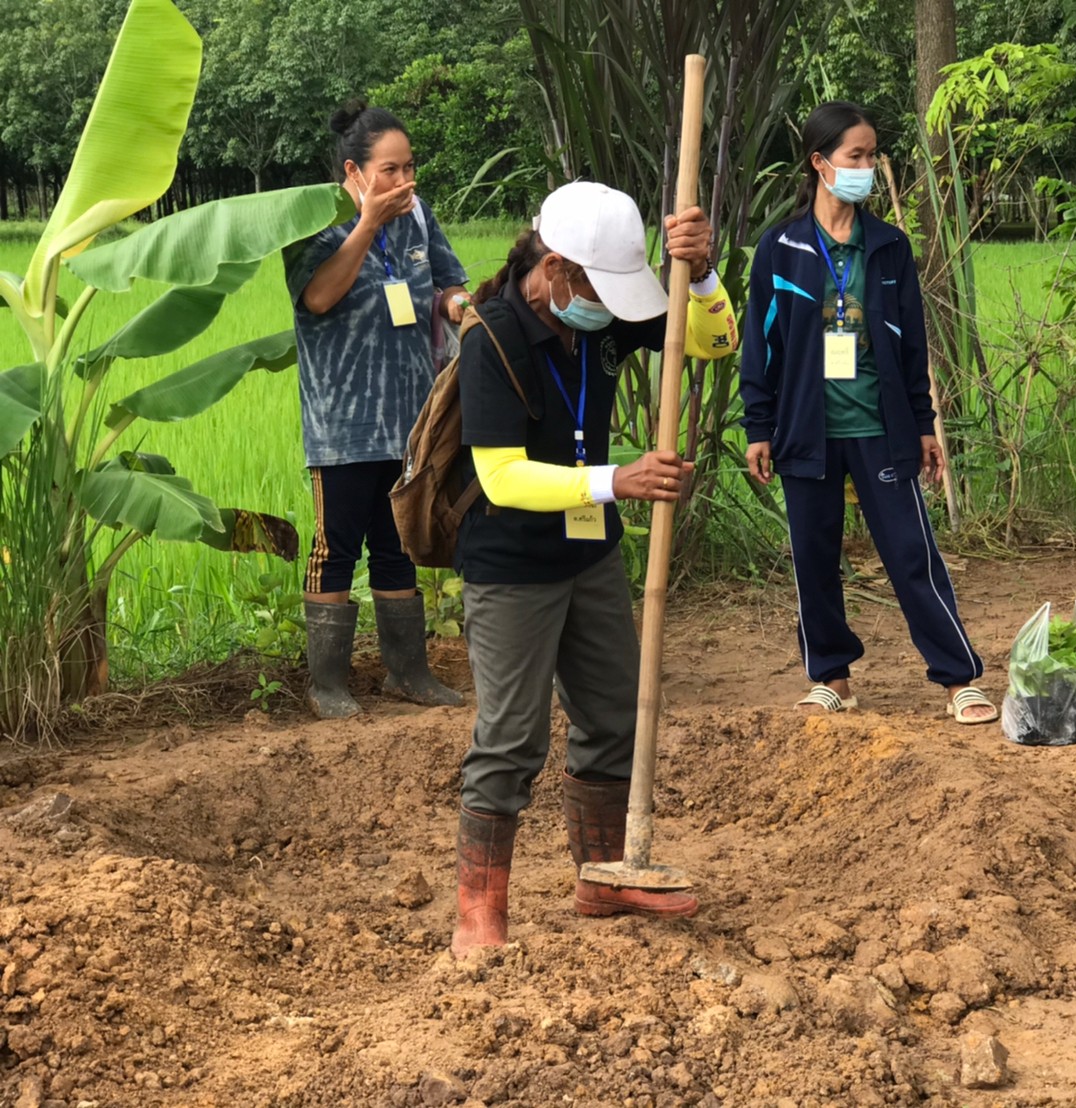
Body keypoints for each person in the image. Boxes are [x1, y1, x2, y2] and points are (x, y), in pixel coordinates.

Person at [448, 182, 739, 957]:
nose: (610, 306)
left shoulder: (603, 317)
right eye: (597, 289)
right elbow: (504, 478)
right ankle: (480, 908)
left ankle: (602, 876)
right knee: (511, 738)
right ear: (555, 269)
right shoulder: (493, 338)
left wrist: (702, 273)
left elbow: (713, 344)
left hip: (590, 556)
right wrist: (619, 479)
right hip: (511, 568)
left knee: (615, 715)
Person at [739, 101, 994, 726]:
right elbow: (760, 345)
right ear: (820, 163)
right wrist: (758, 427)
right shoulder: (781, 249)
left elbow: (912, 347)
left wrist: (926, 422)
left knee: (911, 553)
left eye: (872, 155)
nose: (868, 166)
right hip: (806, 433)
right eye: (856, 156)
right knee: (814, 556)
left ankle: (958, 676)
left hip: (882, 430)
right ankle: (831, 676)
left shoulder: (888, 248)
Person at [287, 100, 467, 719]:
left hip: (410, 421)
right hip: (342, 426)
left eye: (410, 167)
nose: (404, 181)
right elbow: (317, 297)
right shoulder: (314, 223)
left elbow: (447, 281)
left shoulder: (420, 219)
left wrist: (458, 305)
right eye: (390, 170)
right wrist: (366, 225)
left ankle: (407, 674)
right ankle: (328, 685)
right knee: (334, 549)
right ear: (354, 172)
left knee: (397, 547)